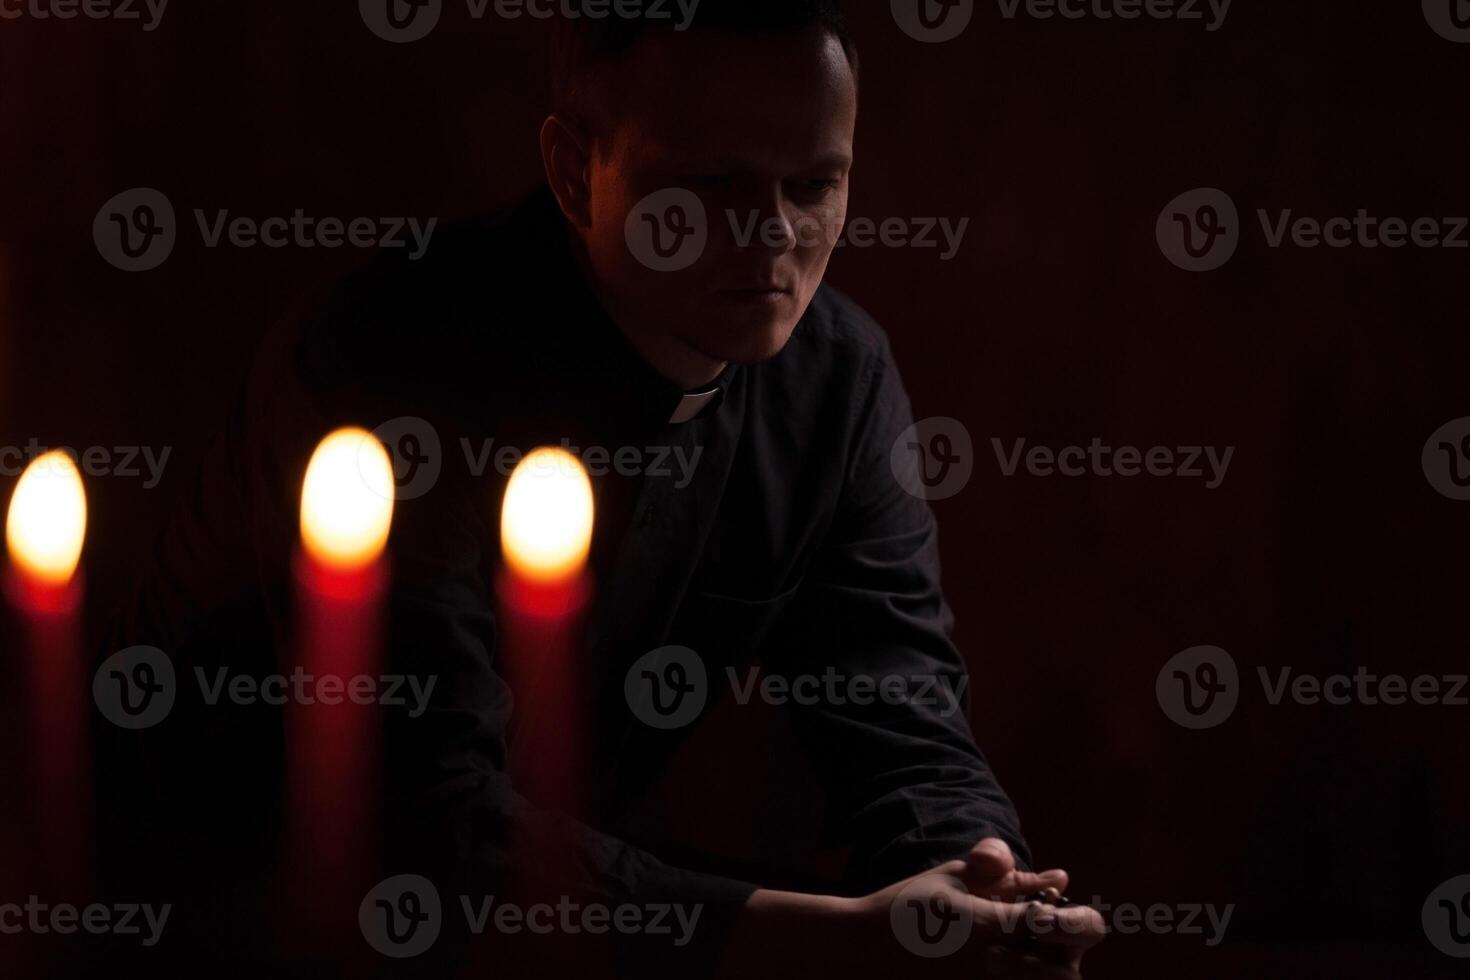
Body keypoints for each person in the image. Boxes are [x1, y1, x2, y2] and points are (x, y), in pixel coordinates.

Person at [107, 2, 1104, 976]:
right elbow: (420, 811)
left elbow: (898, 706)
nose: (773, 234)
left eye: (814, 183)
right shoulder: (382, 370)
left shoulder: (836, 381)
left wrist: (979, 877)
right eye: (711, 184)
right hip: (209, 924)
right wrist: (844, 937)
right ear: (576, 171)